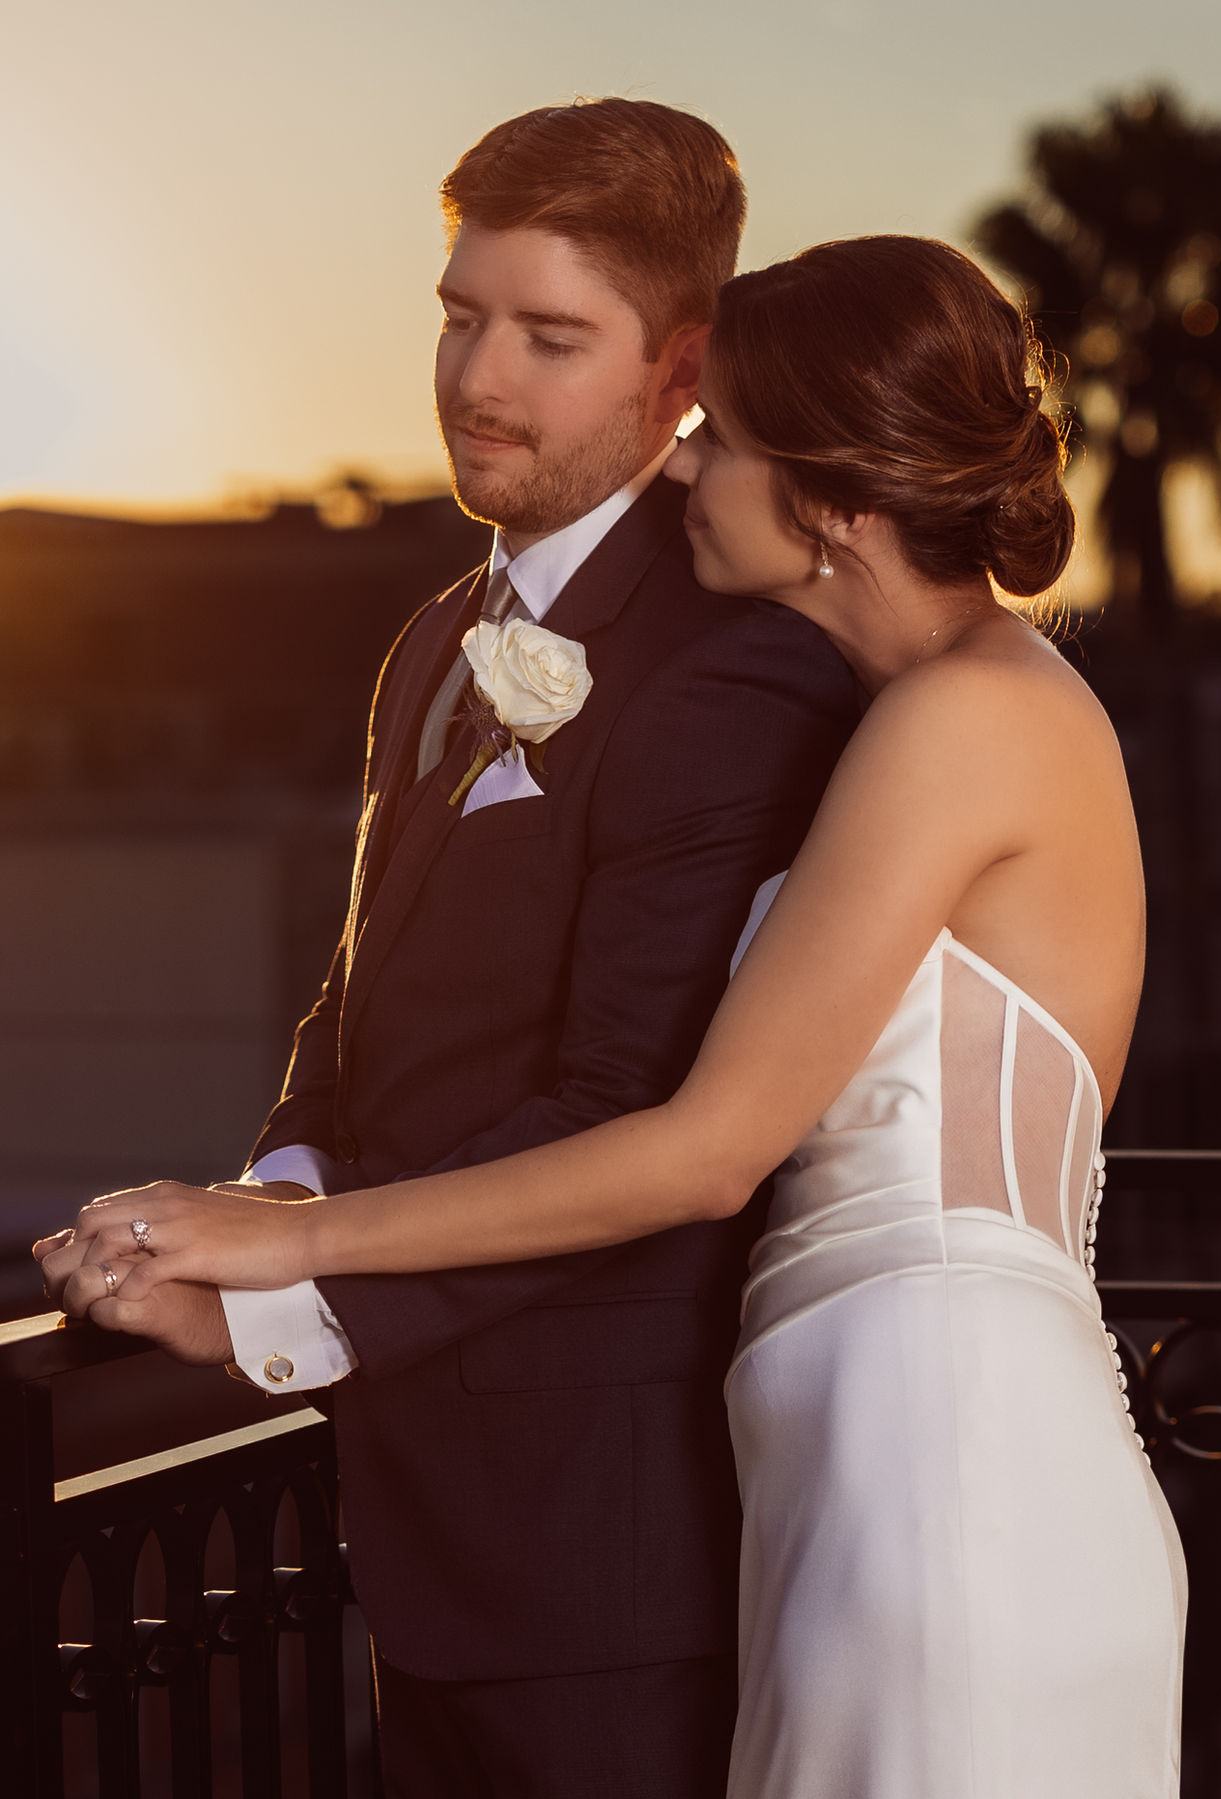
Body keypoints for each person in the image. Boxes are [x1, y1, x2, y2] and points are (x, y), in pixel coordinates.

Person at [46, 234, 1186, 1795]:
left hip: (944, 1446)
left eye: (723, 436)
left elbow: (705, 1151)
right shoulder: (922, 709)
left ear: (837, 504)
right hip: (854, 1433)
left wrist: (288, 1239)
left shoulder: (967, 716)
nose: (687, 464)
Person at [37, 99, 862, 1799]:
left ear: (679, 366)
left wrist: (286, 1299)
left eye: (551, 337)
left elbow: (629, 1110)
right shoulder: (435, 637)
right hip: (418, 1530)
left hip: (612, 1556)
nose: (480, 377)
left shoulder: (735, 664)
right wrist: (269, 1186)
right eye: (461, 313)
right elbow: (358, 998)